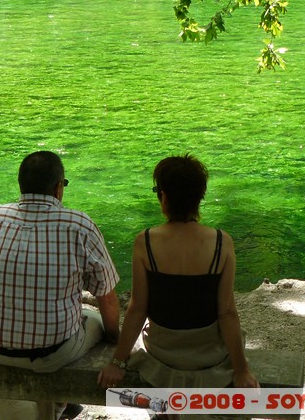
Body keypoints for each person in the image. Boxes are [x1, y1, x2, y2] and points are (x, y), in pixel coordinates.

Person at [0, 151, 121, 419]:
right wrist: (114, 340)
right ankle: (59, 404)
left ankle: (59, 404)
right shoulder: (79, 224)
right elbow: (106, 297)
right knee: (93, 319)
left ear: (20, 185)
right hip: (53, 354)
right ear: (58, 188)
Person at [97, 154, 259, 395]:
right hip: (208, 354)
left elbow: (138, 309)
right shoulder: (221, 242)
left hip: (163, 353)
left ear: (163, 195)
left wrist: (117, 362)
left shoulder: (146, 241)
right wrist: (241, 369)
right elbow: (226, 313)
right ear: (200, 196)